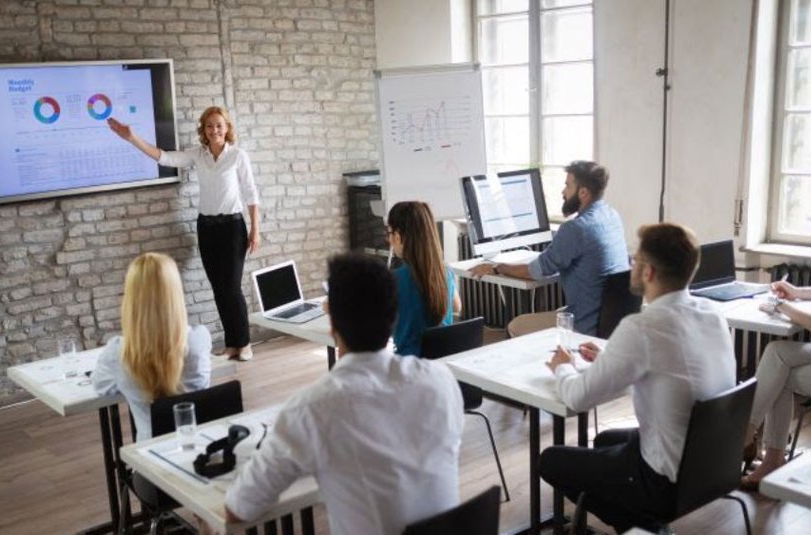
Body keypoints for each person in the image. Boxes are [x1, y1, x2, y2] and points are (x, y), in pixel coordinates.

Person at [224, 253, 464, 534]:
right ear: (394, 317)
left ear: (333, 324)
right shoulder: (441, 381)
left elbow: (240, 509)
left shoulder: (311, 409)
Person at [540, 223, 735, 534]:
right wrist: (610, 360)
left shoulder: (643, 326)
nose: (631, 262)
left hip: (665, 483)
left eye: (636, 259)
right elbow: (672, 372)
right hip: (711, 465)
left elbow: (576, 398)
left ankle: (645, 527)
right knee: (604, 441)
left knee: (550, 460)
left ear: (649, 272)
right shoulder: (713, 314)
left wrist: (562, 366)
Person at [108, 106, 259, 361]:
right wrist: (131, 137)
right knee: (219, 289)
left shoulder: (238, 156)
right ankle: (232, 345)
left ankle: (245, 344)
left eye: (219, 125)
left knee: (231, 287)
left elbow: (251, 193)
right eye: (209, 126)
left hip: (233, 227)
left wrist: (256, 230)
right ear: (204, 130)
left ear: (227, 128)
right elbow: (165, 158)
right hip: (206, 229)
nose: (215, 130)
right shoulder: (198, 155)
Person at [740, 181, 811, 490]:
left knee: (780, 375)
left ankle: (762, 453)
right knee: (778, 352)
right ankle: (750, 434)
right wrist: (798, 293)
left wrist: (781, 306)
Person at [469, 161, 628, 337]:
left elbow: (534, 272)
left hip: (583, 325)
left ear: (583, 192)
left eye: (568, 185)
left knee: (516, 324)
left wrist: (496, 268)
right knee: (560, 310)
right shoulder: (612, 216)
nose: (563, 191)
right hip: (611, 321)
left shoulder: (575, 229)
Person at [91, 253, 211, 442]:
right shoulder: (199, 339)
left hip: (150, 460)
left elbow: (101, 387)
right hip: (199, 449)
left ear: (131, 298)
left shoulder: (117, 353)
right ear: (176, 292)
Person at [386, 201, 462, 357]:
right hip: (442, 365)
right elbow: (456, 307)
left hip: (408, 368)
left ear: (398, 237)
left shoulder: (393, 280)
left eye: (389, 233)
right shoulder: (445, 271)